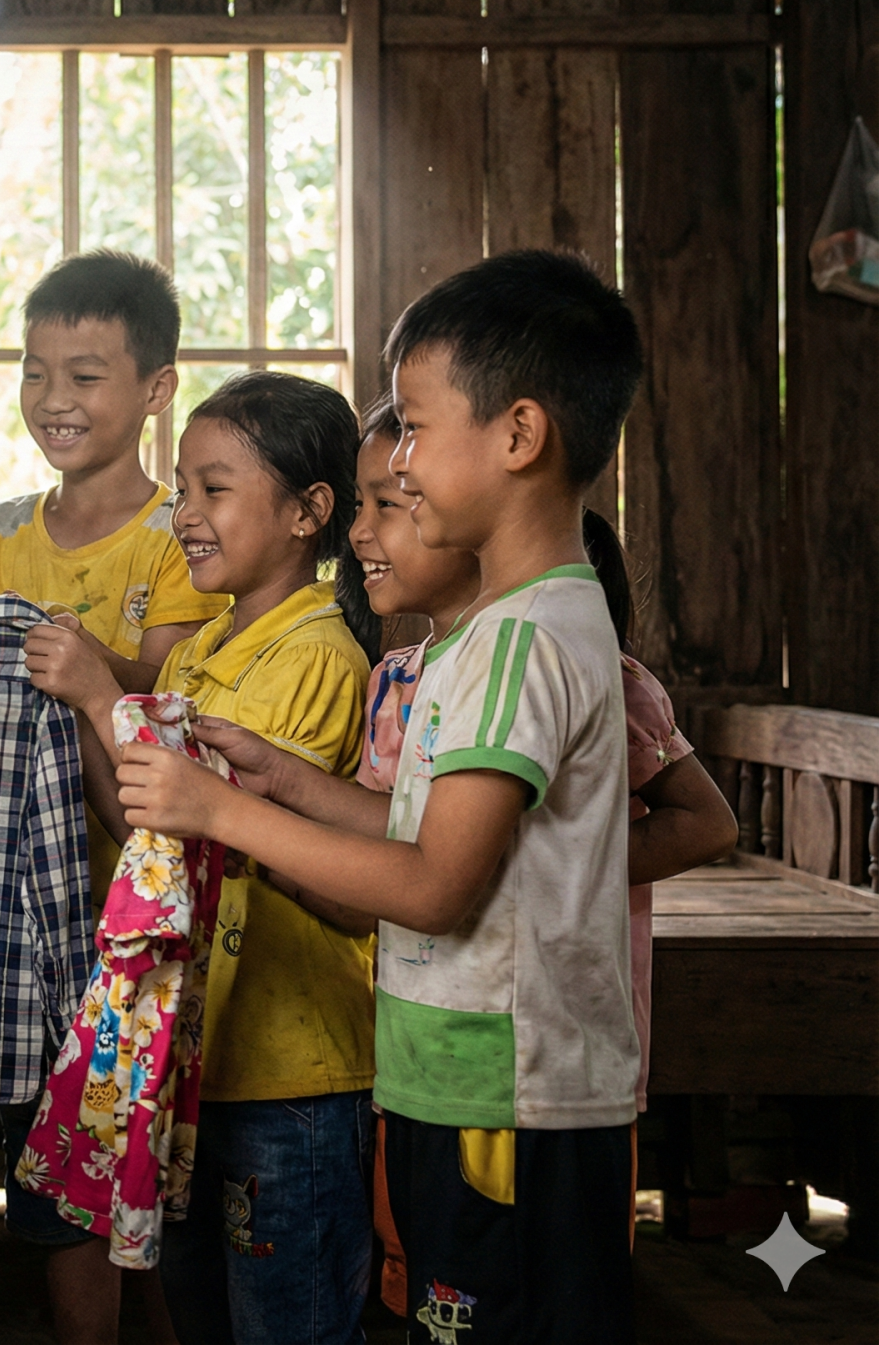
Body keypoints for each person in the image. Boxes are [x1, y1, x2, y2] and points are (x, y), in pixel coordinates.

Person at [118, 251, 650, 1342]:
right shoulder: (487, 633)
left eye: (411, 428)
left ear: (517, 435)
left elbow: (433, 885)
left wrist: (220, 811)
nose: (395, 457)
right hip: (461, 1078)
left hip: (505, 1095)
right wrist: (280, 779)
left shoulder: (518, 643)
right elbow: (417, 827)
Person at [335, 400, 737, 1316]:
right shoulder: (404, 677)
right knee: (437, 1287)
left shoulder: (555, 657)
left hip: (523, 1054)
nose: (363, 531)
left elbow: (706, 823)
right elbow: (402, 838)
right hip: (431, 1037)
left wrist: (556, 860)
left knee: (523, 1287)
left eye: (393, 499)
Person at [27, 372, 377, 1345]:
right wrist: (83, 710)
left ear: (308, 511)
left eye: (212, 489)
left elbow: (225, 826)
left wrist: (101, 696)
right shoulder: (198, 652)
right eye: (181, 488)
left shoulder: (316, 654)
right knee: (197, 1313)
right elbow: (149, 828)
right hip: (197, 1064)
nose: (183, 513)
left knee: (289, 1324)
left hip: (292, 1075)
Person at [0, 251, 226, 1345]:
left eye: (85, 375)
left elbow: (170, 712)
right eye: (34, 372)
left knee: (139, 1170)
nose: (52, 399)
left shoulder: (180, 540)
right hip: (19, 907)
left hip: (135, 909)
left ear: (156, 388)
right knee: (55, 1162)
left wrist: (81, 667)